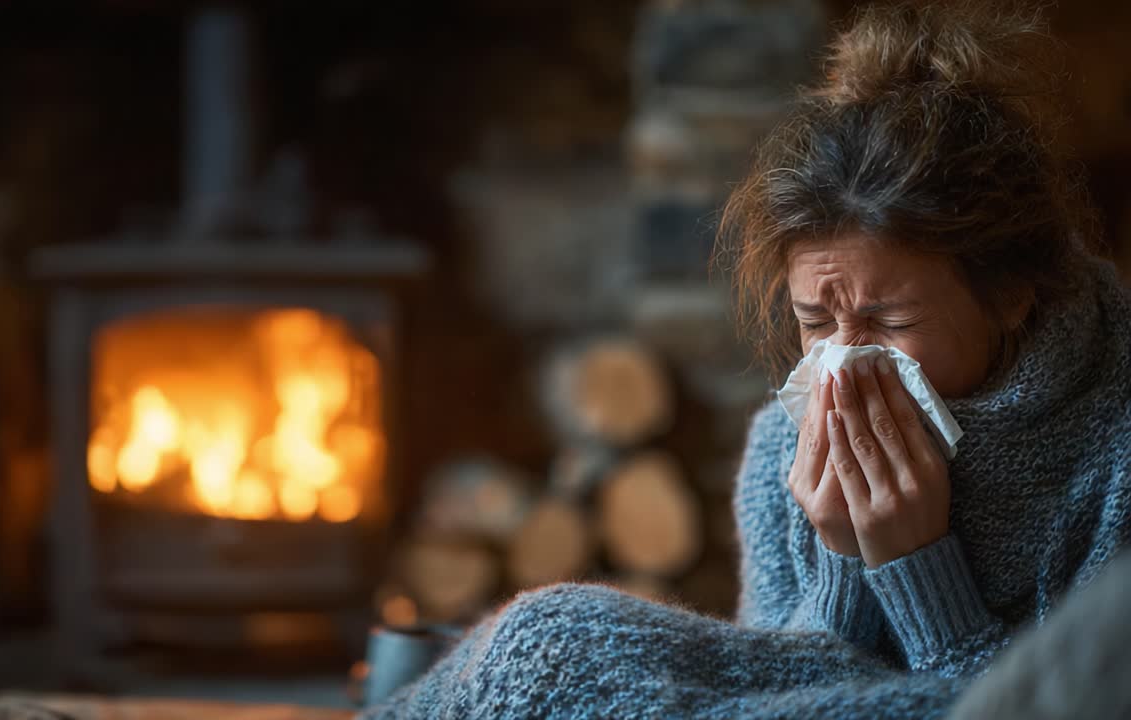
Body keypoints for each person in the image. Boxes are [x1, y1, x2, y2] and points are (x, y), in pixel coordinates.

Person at [358, 3, 1131, 718]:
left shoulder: (1114, 453)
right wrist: (839, 559)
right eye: (813, 321)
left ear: (1012, 297)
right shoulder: (781, 453)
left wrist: (915, 565)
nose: (842, 363)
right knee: (544, 637)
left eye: (888, 320)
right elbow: (772, 689)